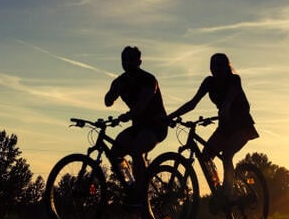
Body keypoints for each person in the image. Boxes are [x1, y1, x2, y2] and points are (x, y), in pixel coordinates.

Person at [168, 52, 259, 192]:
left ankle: (227, 192)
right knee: (206, 157)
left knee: (227, 154)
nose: (216, 68)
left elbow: (229, 100)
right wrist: (171, 116)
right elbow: (192, 103)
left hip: (242, 125)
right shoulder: (209, 82)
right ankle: (217, 189)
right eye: (213, 65)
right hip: (225, 126)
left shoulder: (234, 80)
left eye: (220, 65)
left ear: (227, 67)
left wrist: (225, 110)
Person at [103, 46, 169, 187]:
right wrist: (114, 90)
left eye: (131, 60)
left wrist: (128, 115)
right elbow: (107, 101)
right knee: (114, 153)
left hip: (156, 125)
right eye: (124, 60)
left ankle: (141, 189)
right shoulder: (121, 81)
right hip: (138, 126)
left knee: (136, 149)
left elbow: (142, 104)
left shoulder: (149, 80)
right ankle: (131, 185)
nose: (127, 63)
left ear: (139, 62)